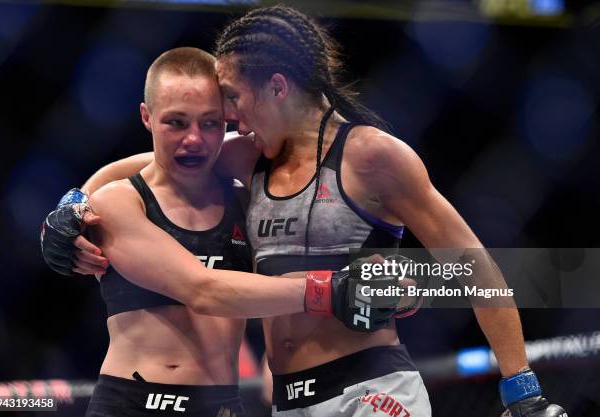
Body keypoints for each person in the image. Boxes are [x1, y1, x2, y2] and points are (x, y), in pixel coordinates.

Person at [42, 6, 567, 417]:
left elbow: (472, 265)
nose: (227, 116)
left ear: (276, 86)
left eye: (232, 97)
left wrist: (520, 386)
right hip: (291, 401)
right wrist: (70, 207)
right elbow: (154, 164)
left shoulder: (372, 157)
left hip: (372, 388)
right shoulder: (248, 156)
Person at [41, 46, 394, 417]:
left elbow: (290, 272)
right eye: (176, 122)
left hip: (222, 407)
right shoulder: (119, 203)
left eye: (210, 123)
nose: (194, 139)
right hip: (132, 405)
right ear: (147, 117)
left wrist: (401, 283)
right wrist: (73, 201)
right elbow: (203, 289)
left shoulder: (247, 202)